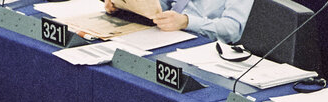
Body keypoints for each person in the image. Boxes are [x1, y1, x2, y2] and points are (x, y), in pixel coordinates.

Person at [104, 0, 254, 43]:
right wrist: (124, 6)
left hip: (201, 42)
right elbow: (162, 5)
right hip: (166, 34)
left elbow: (232, 29)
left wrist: (186, 21)